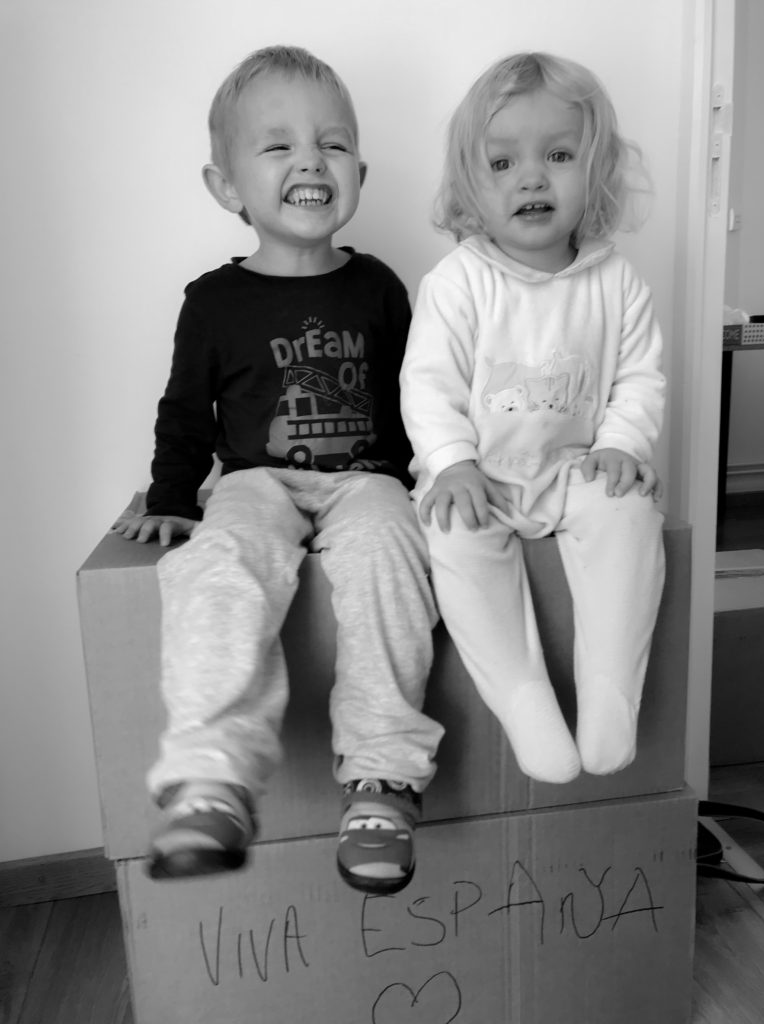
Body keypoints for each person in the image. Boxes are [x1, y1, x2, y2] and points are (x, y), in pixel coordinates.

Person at [113, 45, 444, 894]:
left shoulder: (379, 288)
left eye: (332, 144)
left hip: (368, 478)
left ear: (360, 172)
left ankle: (382, 781)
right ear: (226, 187)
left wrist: (440, 477)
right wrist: (171, 496)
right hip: (255, 480)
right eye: (278, 145)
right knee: (220, 562)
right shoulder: (212, 301)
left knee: (390, 553)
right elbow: (185, 410)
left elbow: (418, 396)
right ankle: (212, 778)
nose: (310, 160)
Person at [400, 52, 665, 786]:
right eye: (503, 162)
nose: (531, 177)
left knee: (630, 515)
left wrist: (622, 444)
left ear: (596, 169)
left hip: (573, 469)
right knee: (455, 538)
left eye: (558, 155)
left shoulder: (616, 281)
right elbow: (427, 384)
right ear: (471, 185)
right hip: (482, 477)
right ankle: (523, 700)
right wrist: (451, 462)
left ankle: (611, 691)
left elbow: (640, 377)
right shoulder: (459, 281)